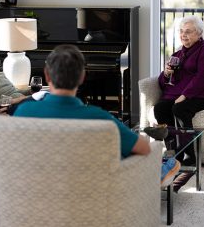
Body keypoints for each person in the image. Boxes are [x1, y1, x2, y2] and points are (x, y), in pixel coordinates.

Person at [14, 44, 181, 187]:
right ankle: (163, 167)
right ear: (82, 77)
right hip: (89, 195)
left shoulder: (23, 112)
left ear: (47, 75)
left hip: (40, 191)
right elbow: (144, 149)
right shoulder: (101, 119)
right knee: (164, 160)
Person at [153, 15, 204, 192]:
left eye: (188, 32)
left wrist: (185, 95)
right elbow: (163, 83)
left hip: (202, 94)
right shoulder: (178, 54)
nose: (184, 35)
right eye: (181, 32)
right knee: (160, 108)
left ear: (199, 34)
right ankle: (173, 152)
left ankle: (191, 156)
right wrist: (167, 73)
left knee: (180, 108)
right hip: (180, 95)